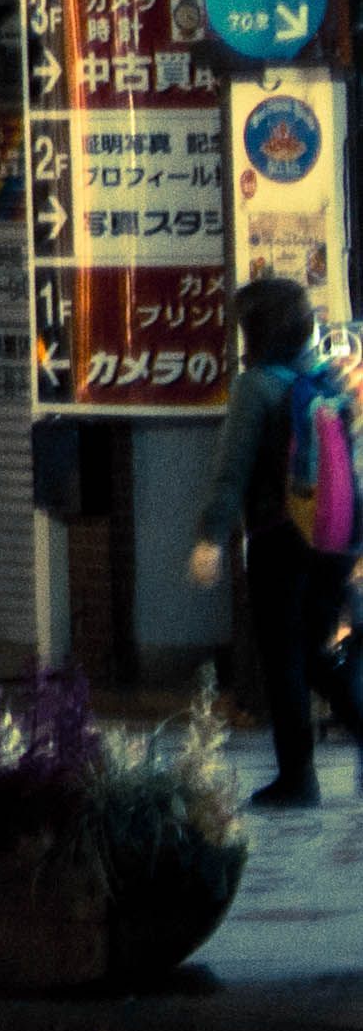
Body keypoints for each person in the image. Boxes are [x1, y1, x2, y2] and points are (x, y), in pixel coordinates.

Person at [191, 270, 356, 804]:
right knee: (315, 654)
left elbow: (230, 472)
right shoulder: (329, 380)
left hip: (279, 537)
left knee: (284, 657)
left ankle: (297, 779)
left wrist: (211, 538)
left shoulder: (256, 386)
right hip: (336, 538)